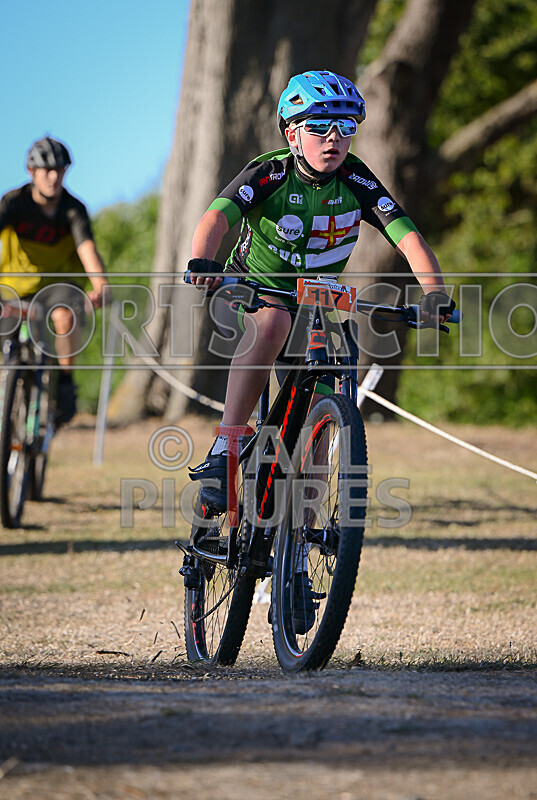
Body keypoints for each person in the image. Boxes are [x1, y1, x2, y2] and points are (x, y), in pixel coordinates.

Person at [188, 69, 455, 510]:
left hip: (316, 301)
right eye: (319, 127)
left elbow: (409, 238)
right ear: (292, 133)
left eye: (346, 128)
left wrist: (433, 294)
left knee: (328, 387)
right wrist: (203, 261)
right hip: (252, 287)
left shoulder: (357, 179)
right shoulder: (269, 173)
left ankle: (302, 545)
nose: (334, 138)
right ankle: (226, 448)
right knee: (272, 323)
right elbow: (217, 217)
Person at [0, 136, 109, 423]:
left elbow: (87, 250)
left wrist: (100, 286)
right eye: (46, 170)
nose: (53, 177)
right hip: (16, 288)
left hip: (59, 289)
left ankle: (64, 381)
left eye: (59, 170)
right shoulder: (13, 202)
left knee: (65, 318)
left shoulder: (73, 210)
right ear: (31, 172)